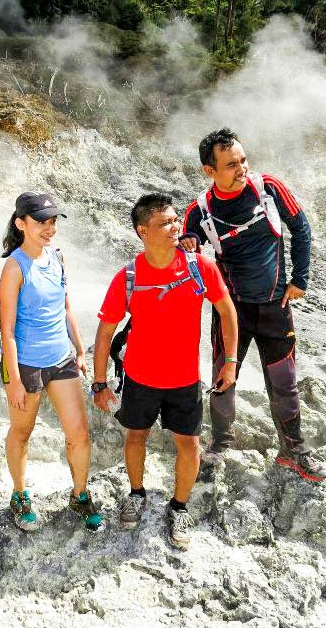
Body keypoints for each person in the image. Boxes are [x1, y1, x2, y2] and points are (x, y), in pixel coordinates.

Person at [181, 128, 326, 482]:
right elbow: (187, 251)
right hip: (231, 312)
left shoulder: (269, 188)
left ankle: (293, 451)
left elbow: (301, 228)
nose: (242, 169)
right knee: (223, 377)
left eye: (243, 160)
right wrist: (188, 244)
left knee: (284, 382)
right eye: (232, 165)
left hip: (276, 307)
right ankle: (220, 444)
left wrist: (300, 279)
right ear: (209, 171)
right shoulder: (200, 211)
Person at [92, 195, 238, 549]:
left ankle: (179, 507)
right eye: (165, 223)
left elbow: (227, 311)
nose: (175, 228)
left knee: (190, 444)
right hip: (140, 377)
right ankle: (136, 494)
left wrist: (230, 361)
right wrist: (99, 383)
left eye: (175, 221)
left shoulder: (199, 267)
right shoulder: (128, 276)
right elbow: (105, 332)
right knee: (135, 436)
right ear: (143, 230)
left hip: (185, 378)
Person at [0, 192, 103, 533]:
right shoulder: (14, 267)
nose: (49, 228)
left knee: (79, 432)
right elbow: (7, 330)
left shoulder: (57, 257)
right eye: (41, 222)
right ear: (21, 224)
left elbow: (66, 306)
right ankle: (19, 493)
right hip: (26, 364)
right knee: (22, 431)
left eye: (53, 221)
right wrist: (15, 380)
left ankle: (80, 495)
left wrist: (80, 349)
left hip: (61, 358)